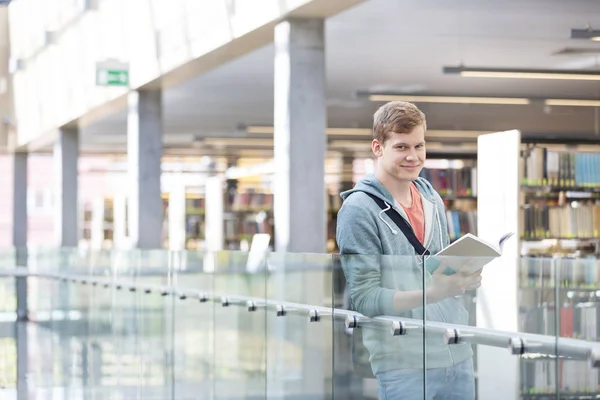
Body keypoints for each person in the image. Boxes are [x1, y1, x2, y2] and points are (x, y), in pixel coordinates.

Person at [336, 101, 482, 400]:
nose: (413, 156)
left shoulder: (431, 198)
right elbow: (365, 298)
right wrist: (436, 292)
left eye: (419, 145)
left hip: (455, 349)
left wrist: (462, 279)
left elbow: (439, 269)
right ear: (378, 147)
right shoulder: (358, 210)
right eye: (401, 147)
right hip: (403, 361)